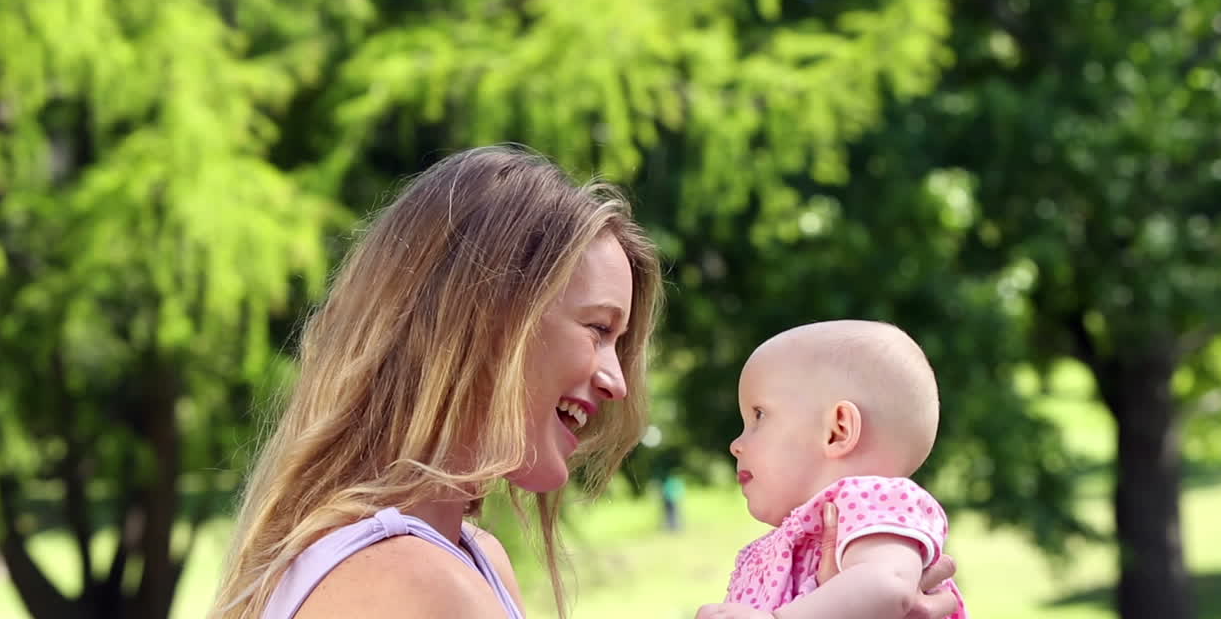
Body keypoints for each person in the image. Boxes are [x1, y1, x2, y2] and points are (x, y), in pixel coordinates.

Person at [209, 147, 960, 619]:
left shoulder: (465, 555)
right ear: (488, 324)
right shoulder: (404, 581)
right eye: (598, 329)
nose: (616, 381)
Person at [695, 320, 966, 619]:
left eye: (758, 415)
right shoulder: (798, 541)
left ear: (837, 430)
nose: (736, 444)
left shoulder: (876, 504)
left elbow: (888, 585)